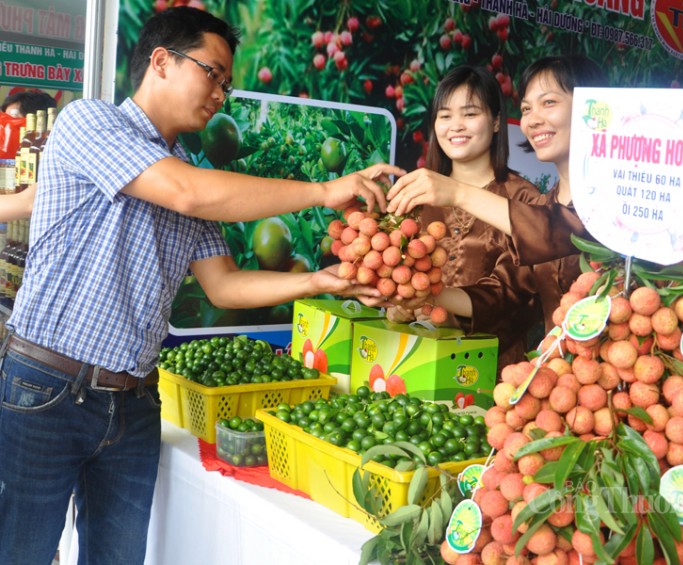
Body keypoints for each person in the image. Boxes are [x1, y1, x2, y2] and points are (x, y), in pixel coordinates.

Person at [0, 7, 402, 565]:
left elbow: (224, 286)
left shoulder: (189, 168)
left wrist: (320, 279)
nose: (221, 93)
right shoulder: (90, 123)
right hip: (47, 388)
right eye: (212, 73)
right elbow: (185, 193)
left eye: (227, 83)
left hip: (135, 401)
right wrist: (322, 190)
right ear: (161, 61)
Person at [386, 55, 608, 340]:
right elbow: (506, 288)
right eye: (527, 108)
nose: (533, 119)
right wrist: (422, 294)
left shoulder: (616, 202)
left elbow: (564, 230)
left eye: (549, 102)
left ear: (595, 109)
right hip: (559, 372)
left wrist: (457, 193)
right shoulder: (544, 204)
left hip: (619, 372)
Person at [385, 65, 541, 369]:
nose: (455, 125)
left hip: (491, 374)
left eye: (470, 114)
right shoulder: (415, 196)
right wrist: (396, 306)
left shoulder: (524, 199)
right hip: (411, 364)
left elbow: (514, 294)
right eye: (444, 116)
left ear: (496, 122)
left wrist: (429, 297)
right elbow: (392, 272)